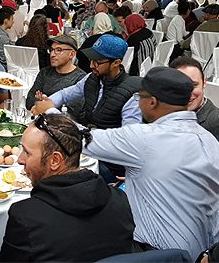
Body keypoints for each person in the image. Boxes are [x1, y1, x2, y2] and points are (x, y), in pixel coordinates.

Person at [82, 67, 219, 259]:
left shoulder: (143, 138)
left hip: (156, 252)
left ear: (152, 102)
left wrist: (49, 112)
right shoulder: (208, 139)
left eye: (140, 97)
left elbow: (77, 139)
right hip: (205, 250)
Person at [0, 114, 134, 262]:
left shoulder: (26, 217)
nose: (20, 160)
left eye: (27, 153)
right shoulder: (119, 199)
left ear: (55, 160)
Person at [31, 34, 141, 182]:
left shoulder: (131, 95)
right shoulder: (92, 78)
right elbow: (65, 94)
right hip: (86, 147)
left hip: (109, 164)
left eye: (97, 61)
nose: (91, 65)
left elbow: (126, 144)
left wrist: (50, 110)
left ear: (116, 63)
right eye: (91, 59)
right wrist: (48, 101)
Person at [26, 35, 86, 118]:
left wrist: (42, 103)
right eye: (51, 50)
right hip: (40, 122)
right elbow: (29, 101)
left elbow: (72, 113)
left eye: (58, 50)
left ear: (71, 54)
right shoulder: (45, 72)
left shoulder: (80, 78)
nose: (52, 55)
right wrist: (49, 105)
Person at [169, 57, 219, 140]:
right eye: (179, 86)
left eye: (194, 85)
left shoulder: (216, 122)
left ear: (204, 84)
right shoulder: (163, 114)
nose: (187, 92)